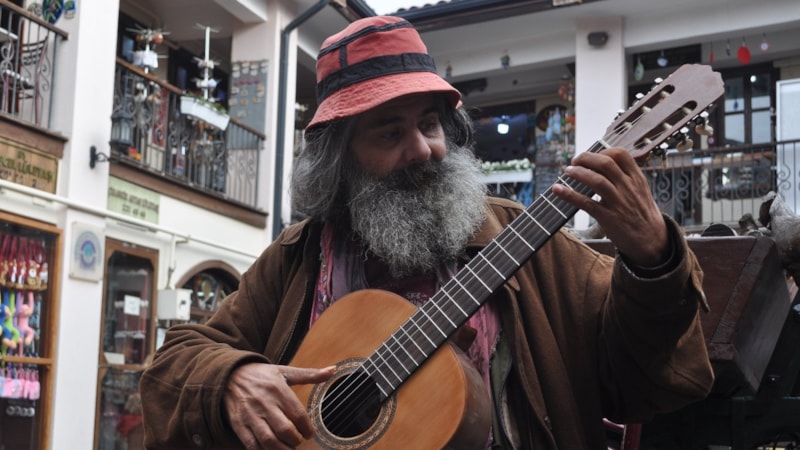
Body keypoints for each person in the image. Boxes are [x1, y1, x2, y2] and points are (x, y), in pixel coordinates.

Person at [140, 15, 713, 449]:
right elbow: (173, 366)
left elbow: (648, 381)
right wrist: (231, 378)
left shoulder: (524, 242)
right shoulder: (299, 259)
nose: (422, 150)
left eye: (430, 124)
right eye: (390, 133)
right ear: (341, 162)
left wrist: (654, 260)